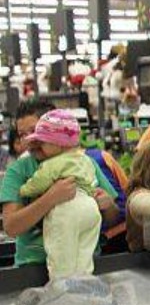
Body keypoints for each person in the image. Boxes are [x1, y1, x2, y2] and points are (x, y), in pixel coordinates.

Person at [1, 100, 120, 267]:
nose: (29, 140)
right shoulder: (18, 171)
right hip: (33, 267)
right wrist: (51, 198)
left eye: (34, 130)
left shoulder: (84, 163)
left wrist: (107, 205)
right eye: (22, 134)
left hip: (85, 264)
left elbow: (113, 216)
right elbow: (11, 226)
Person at [18, 110, 102, 279]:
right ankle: (84, 284)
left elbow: (38, 183)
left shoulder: (52, 164)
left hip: (67, 210)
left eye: (44, 142)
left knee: (61, 256)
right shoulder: (85, 160)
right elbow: (92, 183)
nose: (39, 145)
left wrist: (24, 190)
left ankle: (61, 291)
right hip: (90, 208)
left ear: (59, 144)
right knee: (84, 253)